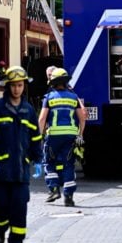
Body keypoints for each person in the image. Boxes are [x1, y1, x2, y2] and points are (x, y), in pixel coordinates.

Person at [0, 65, 43, 243]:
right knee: (0, 207)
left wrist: (38, 159)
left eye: (20, 85)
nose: (17, 89)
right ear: (7, 86)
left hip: (19, 170)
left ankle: (16, 242)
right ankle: (0, 228)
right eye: (13, 85)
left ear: (24, 86)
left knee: (19, 206)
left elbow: (35, 137)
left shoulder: (28, 110)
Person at [38, 68, 86, 207]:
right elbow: (82, 117)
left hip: (53, 136)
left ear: (52, 82)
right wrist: (80, 134)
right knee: (68, 164)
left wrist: (38, 136)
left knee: (49, 162)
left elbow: (42, 119)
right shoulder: (73, 98)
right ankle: (68, 196)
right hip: (71, 136)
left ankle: (53, 189)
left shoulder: (49, 98)